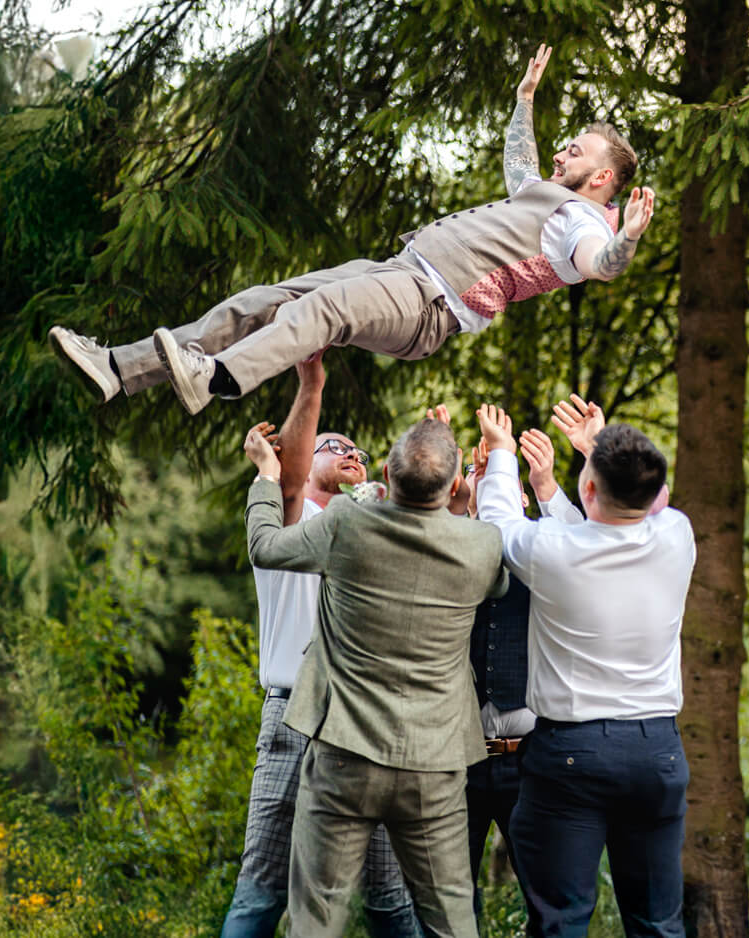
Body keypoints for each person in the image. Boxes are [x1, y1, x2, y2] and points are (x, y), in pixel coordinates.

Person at [48, 43, 657, 415]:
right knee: (267, 300)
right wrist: (524, 99)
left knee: (326, 308)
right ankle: (119, 369)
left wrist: (626, 237)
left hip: (430, 304)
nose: (561, 155)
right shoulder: (548, 195)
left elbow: (600, 265)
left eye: (574, 152)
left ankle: (216, 378)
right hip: (401, 273)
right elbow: (521, 166)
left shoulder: (584, 224)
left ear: (603, 176)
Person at [243, 413, 508, 937]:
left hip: (344, 751)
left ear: (384, 473)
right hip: (433, 765)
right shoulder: (480, 546)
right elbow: (497, 582)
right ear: (453, 484)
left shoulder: (345, 521)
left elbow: (266, 546)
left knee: (316, 913)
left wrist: (267, 479)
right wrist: (486, 476)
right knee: (451, 917)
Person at [473, 399, 696, 938]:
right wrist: (597, 447)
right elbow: (629, 507)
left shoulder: (552, 551)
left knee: (561, 922)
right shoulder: (677, 535)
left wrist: (502, 457)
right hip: (655, 751)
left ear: (588, 490)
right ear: (654, 496)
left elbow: (500, 521)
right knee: (658, 923)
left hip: (570, 756)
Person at [222, 354, 423, 938]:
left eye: (360, 453)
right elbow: (290, 471)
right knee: (261, 888)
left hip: (369, 717)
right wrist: (312, 384)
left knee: (389, 895)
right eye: (338, 448)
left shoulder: (379, 531)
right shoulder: (292, 517)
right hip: (293, 715)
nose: (354, 456)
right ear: (304, 465)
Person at [456, 430, 581, 926]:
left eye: (497, 486)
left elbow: (575, 539)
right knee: (449, 901)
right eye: (475, 480)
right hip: (455, 759)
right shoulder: (441, 551)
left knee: (545, 898)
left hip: (528, 758)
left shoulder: (544, 552)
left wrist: (544, 481)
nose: (485, 489)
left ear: (516, 499)